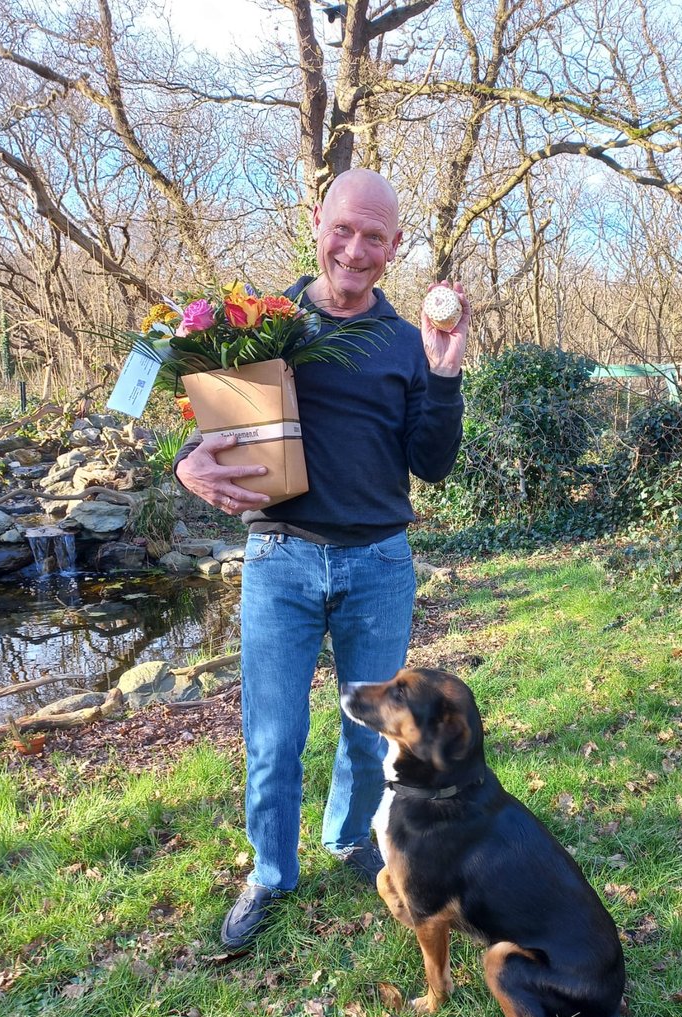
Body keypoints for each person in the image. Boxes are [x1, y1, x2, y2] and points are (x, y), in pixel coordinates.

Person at [174, 168, 470, 953]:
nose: (356, 248)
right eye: (345, 228)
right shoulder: (261, 327)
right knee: (273, 735)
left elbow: (433, 463)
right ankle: (270, 871)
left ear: (394, 247)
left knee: (366, 734)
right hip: (281, 558)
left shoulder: (408, 344)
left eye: (376, 236)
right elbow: (216, 417)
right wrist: (184, 464)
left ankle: (348, 841)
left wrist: (444, 375)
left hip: (378, 564)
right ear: (317, 221)